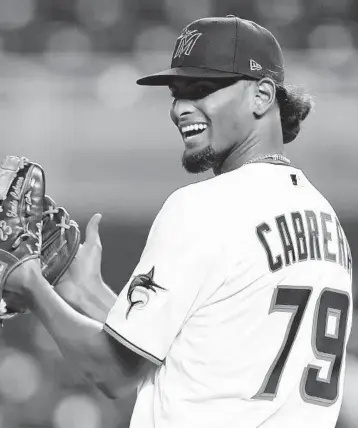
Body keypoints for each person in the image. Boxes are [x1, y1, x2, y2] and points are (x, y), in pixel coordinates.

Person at [4, 15, 353, 428]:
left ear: (261, 96)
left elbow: (113, 373)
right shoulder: (327, 221)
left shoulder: (205, 207)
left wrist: (29, 285)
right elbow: (198, 358)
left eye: (202, 89)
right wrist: (81, 291)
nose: (180, 107)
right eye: (177, 93)